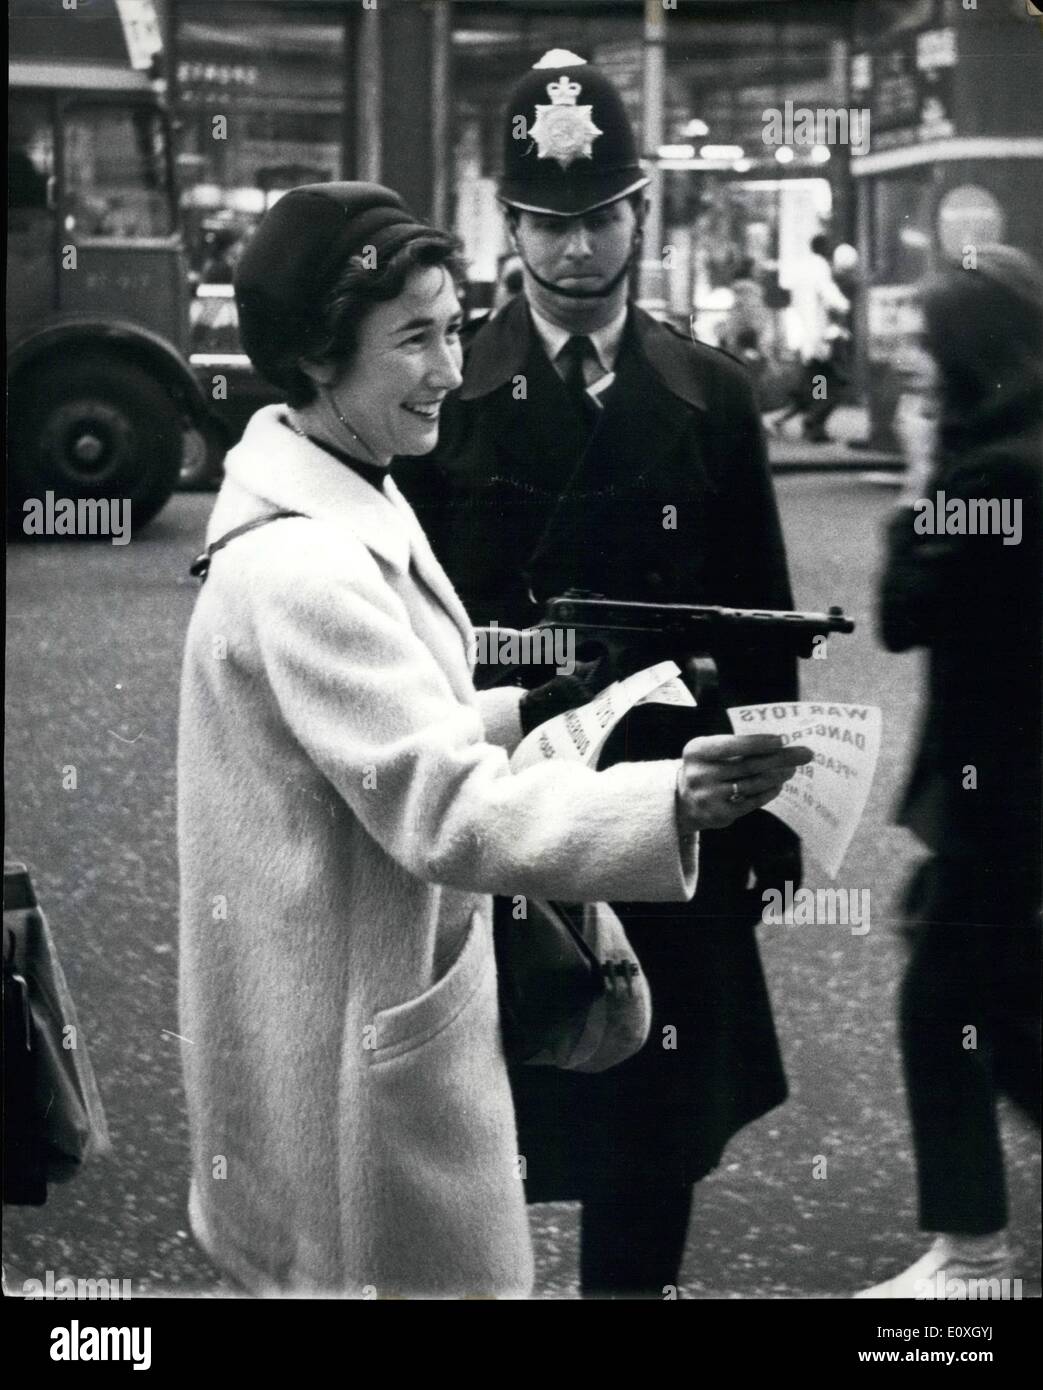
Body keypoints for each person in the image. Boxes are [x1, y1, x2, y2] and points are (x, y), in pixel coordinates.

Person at [176, 181, 811, 1299]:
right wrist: (670, 802)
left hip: (356, 995)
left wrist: (530, 707)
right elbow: (442, 804)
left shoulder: (341, 497)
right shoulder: (307, 566)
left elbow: (391, 732)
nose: (447, 368)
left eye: (452, 328)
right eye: (413, 338)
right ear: (320, 358)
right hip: (348, 1048)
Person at [396, 52, 804, 1298]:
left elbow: (767, 625)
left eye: (599, 216)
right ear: (508, 226)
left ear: (639, 216)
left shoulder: (713, 394)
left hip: (672, 820)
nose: (575, 248)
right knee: (476, 1143)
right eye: (547, 221)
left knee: (649, 1153)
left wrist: (773, 812)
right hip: (510, 812)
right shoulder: (439, 400)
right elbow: (411, 627)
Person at [860, 246, 1042, 1298]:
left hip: (1000, 791)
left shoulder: (991, 474)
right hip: (1011, 792)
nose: (915, 375)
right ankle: (969, 1247)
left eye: (929, 354)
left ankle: (972, 1255)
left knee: (946, 1003)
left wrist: (919, 481)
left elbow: (901, 612)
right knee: (996, 1001)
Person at [771, 234, 850, 442]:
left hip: (807, 336)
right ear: (824, 248)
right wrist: (844, 305)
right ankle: (814, 421)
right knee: (834, 383)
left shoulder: (803, 268)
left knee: (818, 380)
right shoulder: (820, 267)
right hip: (822, 336)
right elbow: (830, 296)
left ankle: (812, 423)